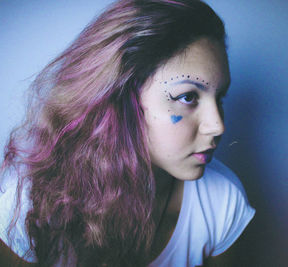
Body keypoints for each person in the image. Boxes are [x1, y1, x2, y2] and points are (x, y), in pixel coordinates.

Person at [0, 0, 255, 266]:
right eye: (188, 97)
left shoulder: (222, 201)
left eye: (220, 98)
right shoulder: (30, 200)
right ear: (120, 100)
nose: (218, 126)